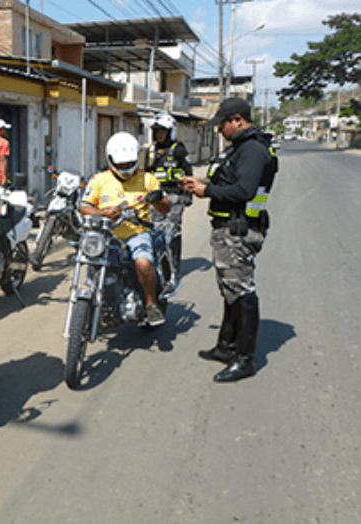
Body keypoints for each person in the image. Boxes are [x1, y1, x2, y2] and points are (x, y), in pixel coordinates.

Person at [180, 97, 277, 383]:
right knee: (230, 290)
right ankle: (226, 346)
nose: (220, 129)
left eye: (222, 124)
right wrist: (203, 185)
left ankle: (245, 359)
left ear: (237, 120)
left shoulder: (252, 150)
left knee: (243, 292)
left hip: (239, 229)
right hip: (229, 227)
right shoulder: (241, 148)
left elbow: (244, 190)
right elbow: (232, 184)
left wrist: (205, 192)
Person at [79, 131, 171, 327]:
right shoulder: (98, 180)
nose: (125, 168)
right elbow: (84, 206)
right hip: (105, 234)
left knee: (143, 264)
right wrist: (104, 213)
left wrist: (159, 200)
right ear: (110, 160)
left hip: (137, 234)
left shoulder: (148, 180)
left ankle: (150, 304)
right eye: (120, 165)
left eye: (129, 164)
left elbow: (166, 206)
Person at [145, 112, 194, 291]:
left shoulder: (179, 149)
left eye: (163, 131)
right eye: (157, 131)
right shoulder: (150, 150)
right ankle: (161, 267)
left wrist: (188, 194)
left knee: (172, 233)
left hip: (174, 196)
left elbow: (188, 171)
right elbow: (146, 173)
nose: (159, 135)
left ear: (170, 132)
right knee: (156, 232)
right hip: (156, 196)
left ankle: (176, 268)